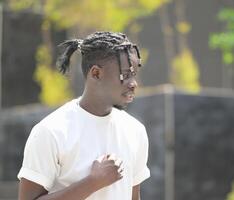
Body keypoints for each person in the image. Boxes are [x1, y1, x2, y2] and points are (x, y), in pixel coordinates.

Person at [17, 31, 150, 200]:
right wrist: (93, 182)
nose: (133, 84)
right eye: (125, 74)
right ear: (96, 73)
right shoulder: (51, 131)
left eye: (134, 74)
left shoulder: (135, 131)